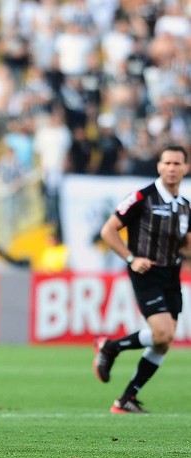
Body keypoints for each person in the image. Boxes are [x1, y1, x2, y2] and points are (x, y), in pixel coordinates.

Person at [94, 144, 190, 413]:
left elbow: (187, 245)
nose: (171, 168)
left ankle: (125, 400)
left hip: (172, 274)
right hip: (146, 272)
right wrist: (130, 258)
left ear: (185, 168)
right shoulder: (141, 197)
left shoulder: (184, 207)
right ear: (159, 166)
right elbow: (108, 230)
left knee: (165, 341)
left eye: (177, 164)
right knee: (162, 333)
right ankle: (110, 348)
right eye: (167, 163)